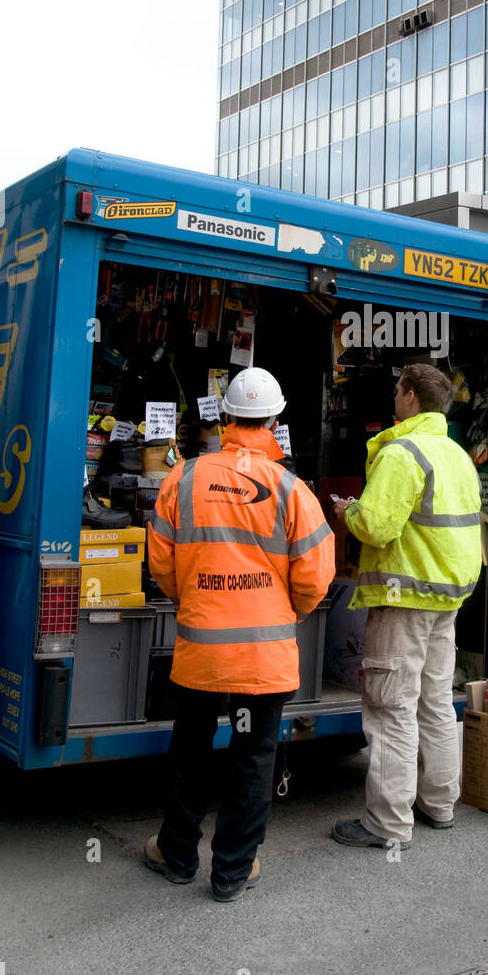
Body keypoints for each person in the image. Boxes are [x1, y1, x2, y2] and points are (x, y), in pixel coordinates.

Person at [143, 366, 334, 901]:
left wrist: (195, 599)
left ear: (225, 417)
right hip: (262, 657)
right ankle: (232, 870)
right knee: (253, 756)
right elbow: (315, 576)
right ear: (274, 421)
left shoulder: (181, 479)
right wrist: (287, 611)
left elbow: (160, 559)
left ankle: (175, 855)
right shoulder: (292, 490)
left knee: (190, 749)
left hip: (201, 652)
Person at [329, 363, 482, 848]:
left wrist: (346, 511)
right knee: (435, 702)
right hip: (446, 598)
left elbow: (375, 527)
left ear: (411, 396)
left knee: (391, 707)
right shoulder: (457, 454)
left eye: (397, 390)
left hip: (403, 598)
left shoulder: (402, 452)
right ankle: (439, 805)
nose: (393, 397)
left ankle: (388, 824)